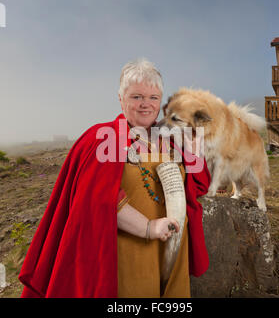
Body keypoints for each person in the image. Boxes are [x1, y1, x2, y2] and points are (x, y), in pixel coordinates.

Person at [18, 58, 211, 298]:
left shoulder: (170, 139)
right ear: (121, 99)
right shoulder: (101, 137)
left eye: (153, 97)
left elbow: (199, 186)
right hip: (126, 252)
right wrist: (148, 227)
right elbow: (95, 197)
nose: (145, 105)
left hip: (171, 249)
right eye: (136, 97)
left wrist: (194, 150)